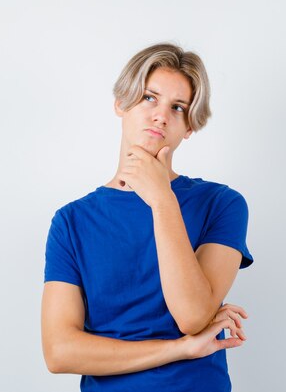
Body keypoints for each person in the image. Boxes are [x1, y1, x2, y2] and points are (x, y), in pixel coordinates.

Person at [41, 42, 254, 392]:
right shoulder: (71, 222)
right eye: (149, 98)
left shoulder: (222, 204)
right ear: (121, 104)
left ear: (189, 127)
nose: (161, 115)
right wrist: (179, 350)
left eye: (178, 107)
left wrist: (161, 199)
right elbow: (60, 352)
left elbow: (192, 316)